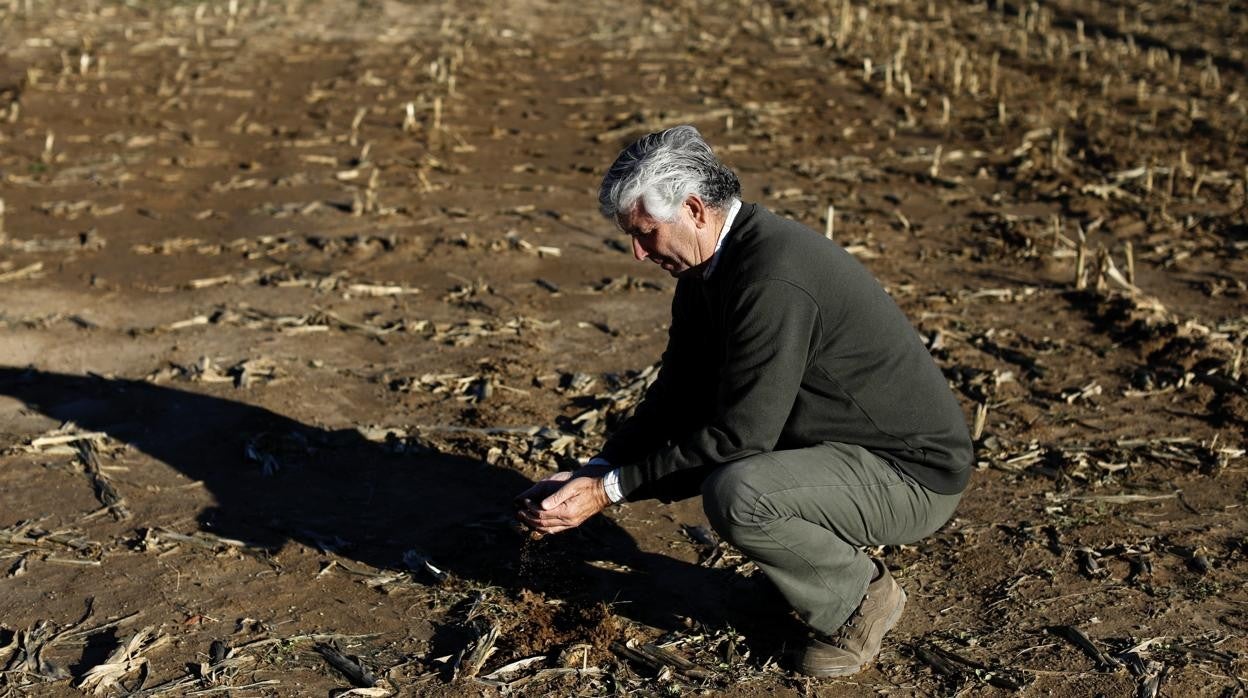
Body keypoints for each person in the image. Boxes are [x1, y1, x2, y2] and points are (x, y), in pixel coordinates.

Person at [515, 125, 972, 677]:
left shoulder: (772, 276)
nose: (638, 253)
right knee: (735, 476)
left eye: (646, 233)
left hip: (912, 477)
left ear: (694, 209)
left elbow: (739, 436)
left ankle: (858, 602)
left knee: (741, 494)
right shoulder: (709, 269)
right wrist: (598, 469)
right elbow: (677, 394)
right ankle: (806, 578)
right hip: (839, 451)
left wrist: (610, 492)